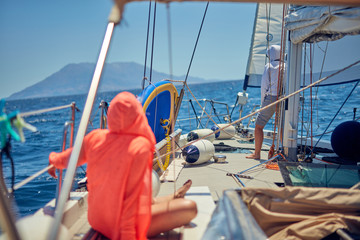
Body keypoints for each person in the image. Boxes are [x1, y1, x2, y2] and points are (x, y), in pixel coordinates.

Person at [48, 92, 197, 240]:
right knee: (190, 207)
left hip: (97, 220)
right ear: (138, 115)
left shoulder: (94, 138)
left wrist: (54, 160)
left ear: (111, 115)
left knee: (141, 198)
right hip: (121, 227)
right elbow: (129, 202)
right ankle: (175, 199)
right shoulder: (139, 147)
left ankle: (173, 197)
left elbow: (69, 157)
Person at [246, 45, 285, 160]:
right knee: (281, 127)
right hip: (284, 98)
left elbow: (264, 86)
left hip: (270, 99)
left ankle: (257, 154)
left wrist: (263, 102)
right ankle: (284, 153)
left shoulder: (269, 66)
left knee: (258, 126)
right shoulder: (287, 66)